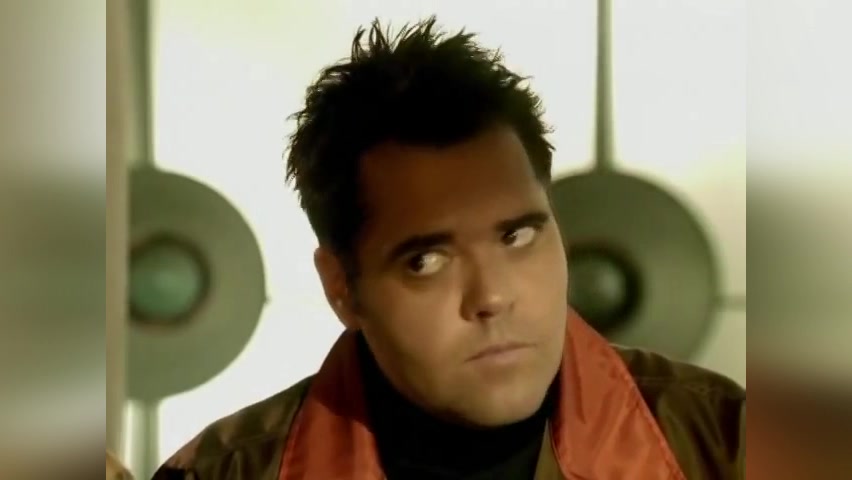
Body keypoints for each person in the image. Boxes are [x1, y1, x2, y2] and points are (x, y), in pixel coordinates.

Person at [152, 17, 745, 480]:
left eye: (518, 236)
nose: (493, 296)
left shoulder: (725, 445)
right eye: (426, 262)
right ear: (341, 288)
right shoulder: (221, 474)